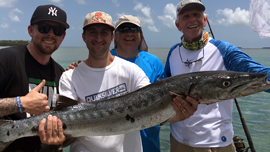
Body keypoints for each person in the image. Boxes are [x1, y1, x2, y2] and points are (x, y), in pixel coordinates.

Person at [59, 11, 198, 152]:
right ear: (84, 37)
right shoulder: (69, 76)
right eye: (92, 32)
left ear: (112, 37)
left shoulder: (134, 71)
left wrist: (179, 114)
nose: (99, 37)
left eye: (104, 33)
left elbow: (154, 107)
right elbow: (62, 121)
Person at [165, 0, 270, 152]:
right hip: (179, 140)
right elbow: (165, 90)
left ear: (205, 20)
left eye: (196, 14)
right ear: (178, 25)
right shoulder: (173, 52)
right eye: (186, 16)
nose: (192, 19)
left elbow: (259, 74)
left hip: (218, 143)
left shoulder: (224, 50)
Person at [110, 15, 197, 152]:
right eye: (123, 29)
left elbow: (168, 102)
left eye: (134, 29)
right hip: (112, 144)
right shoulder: (104, 61)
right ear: (115, 35)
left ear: (140, 34)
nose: (129, 33)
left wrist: (183, 111)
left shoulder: (154, 62)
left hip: (149, 144)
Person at [0, 4, 69, 152]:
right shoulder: (6, 60)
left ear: (62, 36)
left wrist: (58, 141)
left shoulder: (61, 73)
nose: (50, 34)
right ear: (31, 30)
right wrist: (19, 103)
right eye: (44, 28)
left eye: (57, 31)